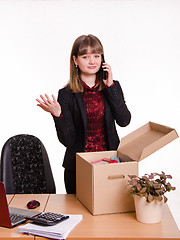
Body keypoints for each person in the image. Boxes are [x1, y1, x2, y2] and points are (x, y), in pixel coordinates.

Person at [36, 34, 131, 194]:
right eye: (85, 56)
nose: (92, 61)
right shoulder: (66, 94)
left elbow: (124, 121)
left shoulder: (112, 87)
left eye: (96, 55)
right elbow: (69, 140)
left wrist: (110, 87)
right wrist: (59, 115)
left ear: (102, 58)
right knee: (81, 215)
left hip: (109, 164)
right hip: (79, 167)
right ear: (75, 60)